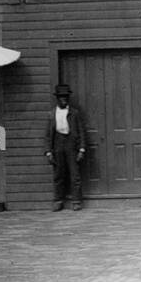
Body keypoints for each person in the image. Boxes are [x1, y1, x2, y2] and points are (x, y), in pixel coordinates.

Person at [43, 82, 86, 211]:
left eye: (66, 97)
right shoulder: (52, 114)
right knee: (58, 175)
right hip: (57, 144)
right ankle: (58, 201)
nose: (64, 99)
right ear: (57, 99)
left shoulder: (74, 113)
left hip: (71, 144)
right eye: (61, 97)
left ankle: (76, 201)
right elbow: (47, 134)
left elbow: (81, 131)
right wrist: (48, 152)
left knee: (75, 174)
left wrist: (82, 149)